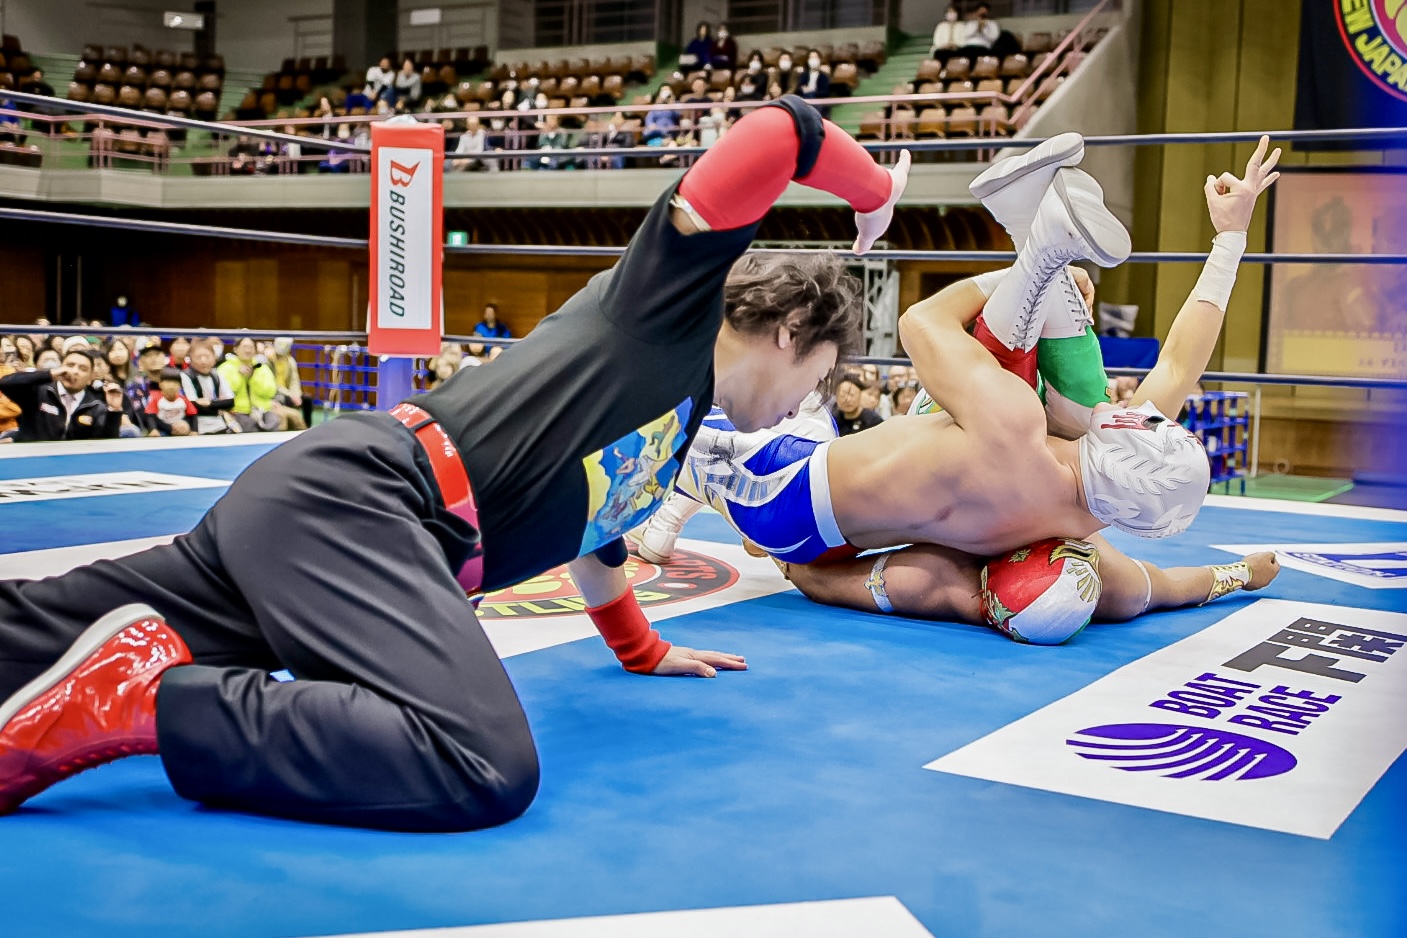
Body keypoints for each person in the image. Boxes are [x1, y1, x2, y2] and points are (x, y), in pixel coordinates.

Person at [0, 97, 911, 830]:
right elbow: (781, 132)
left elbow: (594, 531)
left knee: (34, 635)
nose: (806, 404)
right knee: (477, 762)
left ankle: (111, 676)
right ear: (792, 332)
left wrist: (641, 648)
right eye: (819, 377)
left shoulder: (677, 418)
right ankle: (148, 703)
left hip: (329, 513)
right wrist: (872, 192)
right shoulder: (665, 310)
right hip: (373, 505)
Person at [659, 135, 1279, 619]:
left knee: (692, 415)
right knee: (1060, 406)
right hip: (821, 525)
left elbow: (921, 323)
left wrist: (1019, 273)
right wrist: (1241, 574)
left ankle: (1037, 244)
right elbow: (1160, 584)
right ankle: (1035, 238)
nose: (1136, 413)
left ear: (1123, 440)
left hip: (778, 486)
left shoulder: (1014, 428)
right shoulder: (1087, 530)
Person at [0, 347, 126, 442]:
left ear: (90, 378)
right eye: (70, 365)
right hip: (35, 461)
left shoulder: (95, 406)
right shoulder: (38, 393)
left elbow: (107, 443)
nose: (74, 371)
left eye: (82, 369)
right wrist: (49, 374)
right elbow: (5, 383)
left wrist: (114, 410)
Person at [218, 335, 282, 431]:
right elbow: (225, 393)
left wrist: (252, 377)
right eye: (245, 347)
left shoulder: (262, 367)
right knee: (250, 426)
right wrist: (239, 375)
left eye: (251, 347)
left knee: (275, 421)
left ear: (255, 351)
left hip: (262, 410)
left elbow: (270, 391)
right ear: (236, 349)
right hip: (237, 411)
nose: (248, 350)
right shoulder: (225, 368)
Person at [180, 340, 237, 434]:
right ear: (190, 359)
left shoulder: (217, 375)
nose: (203, 361)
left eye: (207, 356)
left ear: (214, 358)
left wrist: (210, 403)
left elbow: (230, 402)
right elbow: (192, 405)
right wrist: (217, 408)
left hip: (219, 425)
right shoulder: (185, 376)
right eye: (198, 357)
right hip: (196, 426)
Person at [268, 337, 309, 431]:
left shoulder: (290, 361)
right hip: (276, 392)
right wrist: (290, 394)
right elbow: (272, 382)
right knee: (283, 403)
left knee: (307, 400)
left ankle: (307, 428)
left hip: (289, 392)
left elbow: (295, 380)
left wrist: (296, 395)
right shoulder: (269, 361)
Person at [142, 367, 195, 437]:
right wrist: (153, 429)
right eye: (167, 382)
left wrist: (194, 430)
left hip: (181, 430)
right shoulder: (156, 399)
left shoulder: (183, 400)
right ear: (160, 384)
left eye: (174, 382)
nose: (171, 386)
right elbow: (150, 416)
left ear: (180, 385)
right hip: (162, 430)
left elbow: (192, 415)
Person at [832, 372, 883, 436]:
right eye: (843, 395)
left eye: (852, 394)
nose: (847, 399)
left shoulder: (874, 421)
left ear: (860, 395)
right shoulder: (833, 420)